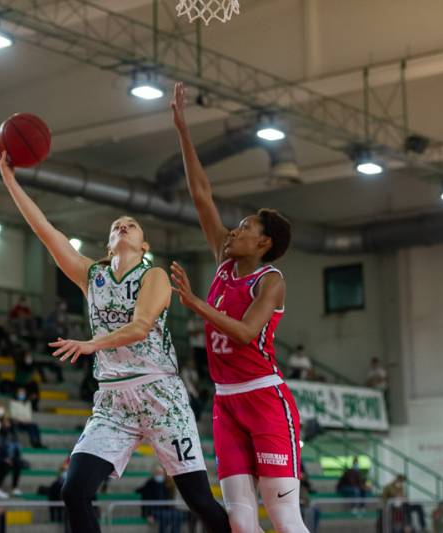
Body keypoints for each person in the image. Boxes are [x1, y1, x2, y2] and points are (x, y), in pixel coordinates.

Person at [0, 139, 230, 533]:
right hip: (113, 400)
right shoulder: (93, 276)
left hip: (161, 395)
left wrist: (90, 344)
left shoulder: (153, 276)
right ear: (108, 244)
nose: (123, 226)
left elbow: (140, 327)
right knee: (74, 490)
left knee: (198, 499)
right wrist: (8, 178)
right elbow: (44, 229)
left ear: (144, 245)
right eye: (115, 226)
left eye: (131, 225)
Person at [170, 81, 307, 533]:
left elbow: (247, 333)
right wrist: (183, 131)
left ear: (263, 242)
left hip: (265, 397)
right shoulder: (224, 264)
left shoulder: (270, 280)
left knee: (284, 516)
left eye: (244, 227)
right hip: (226, 401)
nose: (233, 231)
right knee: (240, 521)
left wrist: (193, 303)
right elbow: (201, 196)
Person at [137, 465, 185, 533]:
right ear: (154, 474)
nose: (159, 474)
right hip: (154, 511)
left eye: (161, 473)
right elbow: (145, 500)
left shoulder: (166, 484)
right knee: (165, 516)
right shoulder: (149, 484)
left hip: (166, 510)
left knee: (177, 515)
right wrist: (148, 514)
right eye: (157, 472)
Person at [187, 313, 208, 380]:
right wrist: (199, 330)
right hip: (196, 346)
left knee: (206, 364)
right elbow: (190, 333)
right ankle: (200, 378)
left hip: (204, 346)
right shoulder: (192, 321)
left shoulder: (204, 321)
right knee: (198, 364)